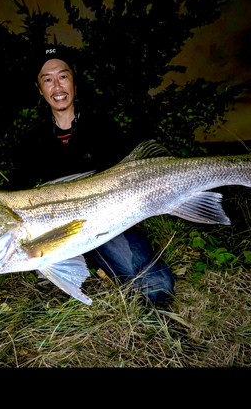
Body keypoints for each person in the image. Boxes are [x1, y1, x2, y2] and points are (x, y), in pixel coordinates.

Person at [9, 45, 174, 302]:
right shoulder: (33, 140)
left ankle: (103, 262)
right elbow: (16, 189)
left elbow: (133, 172)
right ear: (40, 89)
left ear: (74, 80)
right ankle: (90, 268)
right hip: (55, 229)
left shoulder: (102, 127)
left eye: (63, 76)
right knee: (53, 296)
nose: (57, 86)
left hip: (105, 219)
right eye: (48, 80)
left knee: (157, 286)